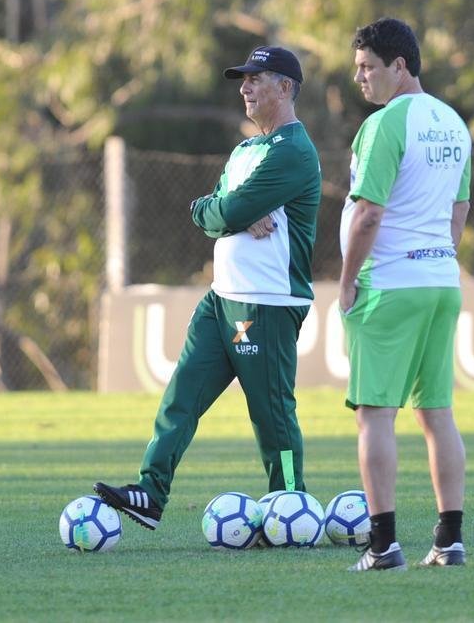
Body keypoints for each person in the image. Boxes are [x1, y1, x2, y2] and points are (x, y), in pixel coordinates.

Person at [95, 46, 321, 530]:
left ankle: (289, 504)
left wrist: (230, 213)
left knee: (271, 413)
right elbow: (207, 209)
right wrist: (229, 213)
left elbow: (227, 211)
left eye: (256, 78)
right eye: (242, 79)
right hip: (221, 297)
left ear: (285, 87)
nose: (244, 87)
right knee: (180, 398)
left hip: (266, 303)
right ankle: (150, 493)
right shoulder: (245, 151)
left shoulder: (294, 152)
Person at [338, 17, 472, 571]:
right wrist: (439, 258)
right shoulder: (454, 122)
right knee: (437, 413)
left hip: (390, 284)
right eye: (357, 69)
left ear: (400, 66)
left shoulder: (387, 123)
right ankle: (449, 540)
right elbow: (458, 211)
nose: (360, 79)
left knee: (375, 415)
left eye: (368, 67)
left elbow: (368, 213)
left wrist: (346, 280)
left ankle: (383, 544)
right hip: (442, 281)